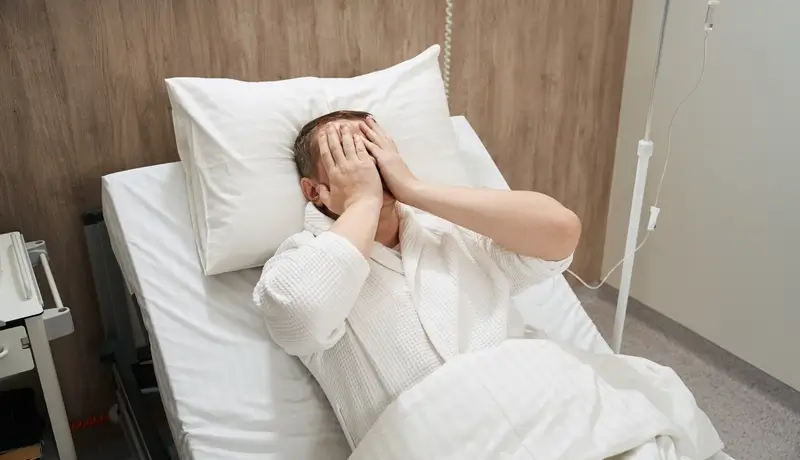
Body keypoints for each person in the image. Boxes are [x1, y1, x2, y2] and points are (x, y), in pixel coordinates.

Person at [253, 110, 581, 448]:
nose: (369, 166)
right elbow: (300, 319)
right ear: (313, 191)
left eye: (372, 148)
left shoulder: (454, 227)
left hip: (542, 414)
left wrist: (413, 188)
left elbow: (561, 231)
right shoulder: (298, 261)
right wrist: (363, 200)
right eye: (347, 154)